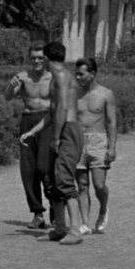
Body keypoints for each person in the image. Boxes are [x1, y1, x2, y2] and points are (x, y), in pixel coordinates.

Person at [6, 46, 54, 229]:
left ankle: (55, 204)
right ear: (29, 58)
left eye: (40, 58)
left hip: (48, 121)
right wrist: (11, 85)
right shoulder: (23, 77)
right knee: (28, 169)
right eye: (33, 58)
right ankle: (37, 213)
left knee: (45, 167)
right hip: (28, 120)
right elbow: (8, 97)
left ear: (46, 59)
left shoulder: (53, 77)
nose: (37, 61)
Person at [42, 42, 85, 242]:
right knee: (51, 179)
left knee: (64, 179)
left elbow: (62, 108)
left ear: (46, 58)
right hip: (61, 128)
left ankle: (75, 230)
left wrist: (56, 136)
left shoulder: (60, 75)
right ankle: (59, 228)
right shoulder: (59, 75)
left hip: (67, 129)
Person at [72, 59, 118, 235]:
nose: (78, 77)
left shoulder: (106, 94)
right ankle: (85, 223)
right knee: (82, 185)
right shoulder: (74, 94)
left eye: (81, 74)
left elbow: (111, 122)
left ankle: (103, 207)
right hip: (78, 140)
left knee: (99, 184)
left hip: (98, 140)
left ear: (92, 74)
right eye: (76, 74)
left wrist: (112, 148)